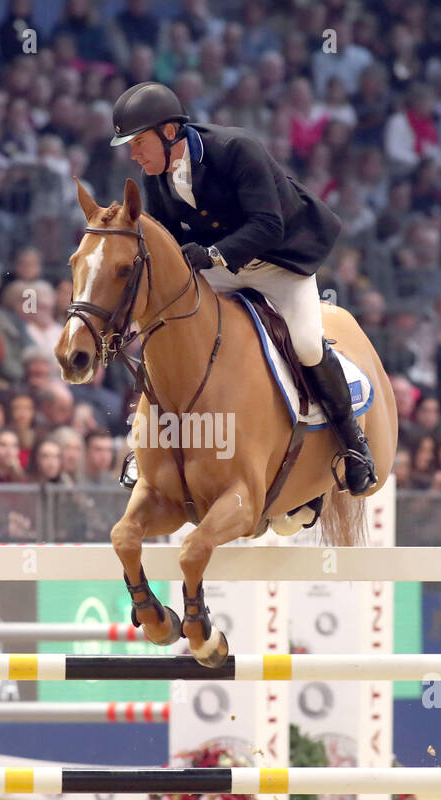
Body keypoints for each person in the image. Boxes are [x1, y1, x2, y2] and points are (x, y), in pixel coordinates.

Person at [107, 81, 375, 494]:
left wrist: (211, 255)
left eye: (138, 142)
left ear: (169, 132)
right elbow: (167, 240)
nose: (133, 153)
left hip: (278, 261)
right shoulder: (157, 175)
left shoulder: (236, 149)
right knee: (166, 329)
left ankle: (352, 443)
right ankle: (143, 445)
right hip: (221, 265)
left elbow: (269, 225)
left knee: (305, 344)